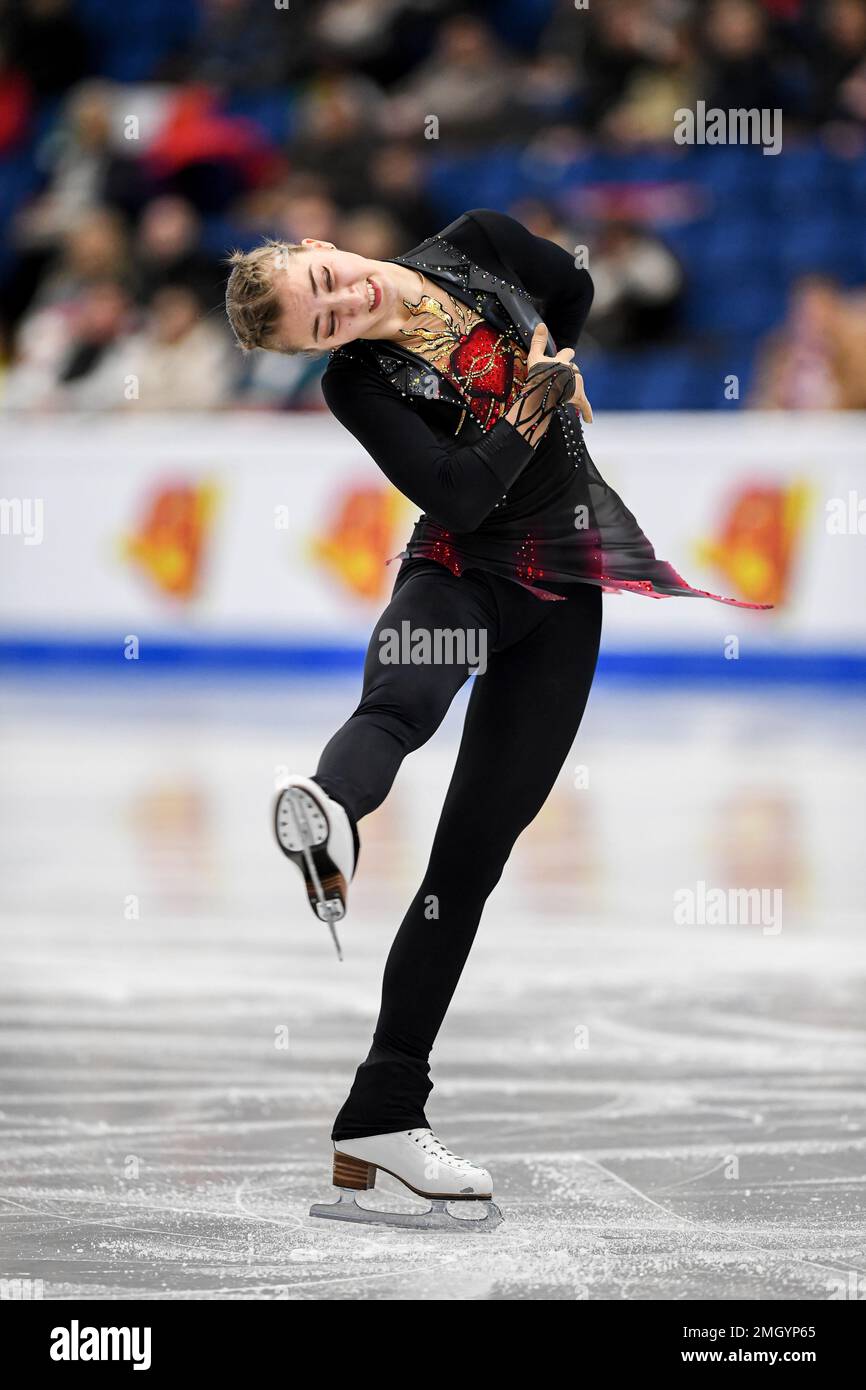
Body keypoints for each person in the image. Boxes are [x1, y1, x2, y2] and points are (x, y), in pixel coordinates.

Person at [224, 207, 769, 1230]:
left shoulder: (474, 243)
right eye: (325, 326)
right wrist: (534, 403)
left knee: (466, 867)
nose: (347, 306)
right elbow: (460, 498)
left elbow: (573, 287)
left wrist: (557, 353)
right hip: (458, 578)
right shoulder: (362, 386)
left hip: (563, 593)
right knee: (398, 702)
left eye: (329, 285)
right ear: (319, 353)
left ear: (315, 245)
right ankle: (329, 812)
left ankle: (382, 1111)